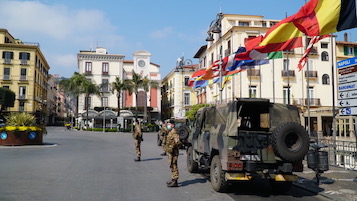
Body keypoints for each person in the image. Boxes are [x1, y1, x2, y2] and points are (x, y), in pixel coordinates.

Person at [165, 119, 181, 187]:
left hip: (173, 153)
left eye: (169, 124)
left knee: (174, 165)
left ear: (172, 125)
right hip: (170, 152)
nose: (168, 125)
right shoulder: (170, 132)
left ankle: (175, 181)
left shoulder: (174, 132)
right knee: (171, 165)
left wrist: (172, 147)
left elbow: (177, 142)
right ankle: (173, 179)